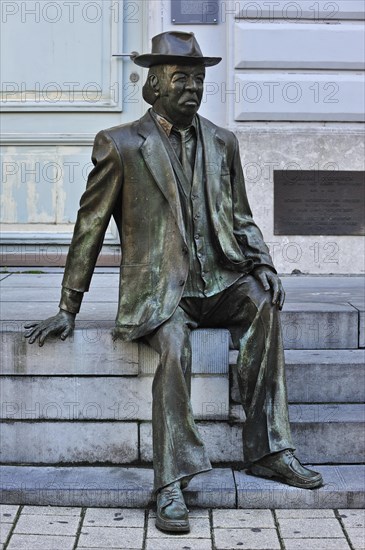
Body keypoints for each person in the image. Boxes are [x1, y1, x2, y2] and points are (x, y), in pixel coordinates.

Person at [25, 31, 323, 533]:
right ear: (153, 86)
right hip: (161, 291)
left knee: (265, 305)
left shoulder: (223, 141)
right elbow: (89, 227)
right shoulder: (120, 145)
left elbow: (242, 218)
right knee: (175, 345)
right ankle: (169, 482)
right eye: (180, 78)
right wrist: (68, 306)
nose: (192, 87)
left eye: (199, 79)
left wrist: (264, 264)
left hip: (221, 280)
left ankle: (269, 449)